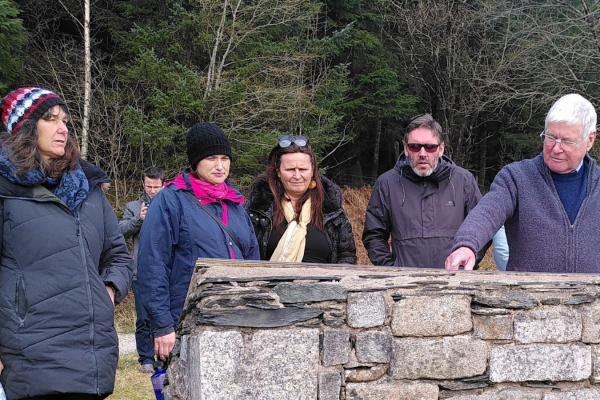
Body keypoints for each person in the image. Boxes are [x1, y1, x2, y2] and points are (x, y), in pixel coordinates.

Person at [0, 87, 132, 399]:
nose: (63, 129)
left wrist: (109, 290)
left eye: (66, 121)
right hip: (32, 355)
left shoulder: (88, 187)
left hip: (93, 359)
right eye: (51, 119)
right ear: (25, 129)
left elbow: (118, 255)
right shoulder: (4, 190)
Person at [137, 122, 259, 362]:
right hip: (189, 321)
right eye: (211, 158)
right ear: (195, 161)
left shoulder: (236, 205)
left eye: (225, 158)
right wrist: (162, 325)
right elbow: (152, 265)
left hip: (237, 320)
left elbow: (253, 262)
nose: (220, 165)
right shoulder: (170, 201)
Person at [446, 93, 600, 273]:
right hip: (529, 299)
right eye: (550, 137)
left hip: (592, 300)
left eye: (567, 141)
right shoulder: (517, 177)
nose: (556, 148)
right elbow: (487, 212)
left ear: (590, 139)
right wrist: (466, 245)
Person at [362, 113, 482, 268]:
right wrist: (391, 269)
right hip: (405, 286)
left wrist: (466, 264)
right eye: (415, 146)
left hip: (455, 284)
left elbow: (481, 229)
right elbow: (374, 234)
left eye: (430, 147)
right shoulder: (387, 184)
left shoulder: (464, 181)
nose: (423, 154)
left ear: (441, 149)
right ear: (406, 148)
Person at [246, 135, 357, 264]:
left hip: (323, 283)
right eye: (290, 169)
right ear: (278, 171)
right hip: (269, 283)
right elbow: (246, 254)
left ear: (312, 171)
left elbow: (347, 256)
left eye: (303, 169)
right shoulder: (258, 209)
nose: (297, 176)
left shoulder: (331, 208)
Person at [119, 166, 164, 373]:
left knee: (163, 318)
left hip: (165, 271)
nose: (153, 191)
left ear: (163, 184)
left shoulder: (170, 205)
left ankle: (164, 358)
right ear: (143, 184)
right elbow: (120, 232)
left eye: (156, 187)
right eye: (149, 186)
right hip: (141, 271)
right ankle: (146, 358)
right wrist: (140, 219)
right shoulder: (133, 206)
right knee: (144, 319)